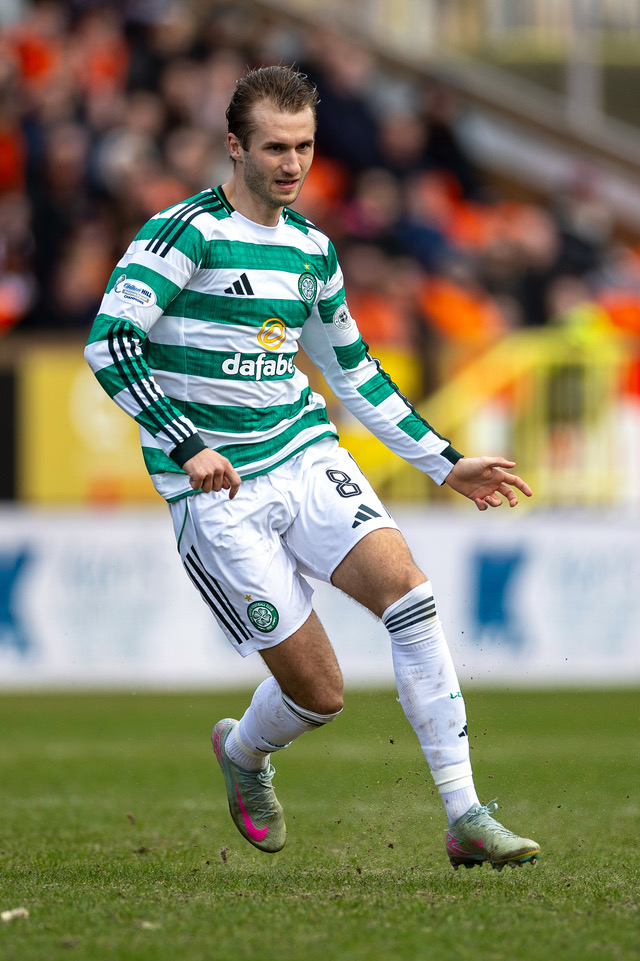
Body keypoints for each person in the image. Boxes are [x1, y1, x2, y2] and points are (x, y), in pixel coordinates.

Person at [83, 65, 540, 871]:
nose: (292, 163)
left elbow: (355, 373)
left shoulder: (312, 250)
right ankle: (244, 752)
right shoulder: (183, 234)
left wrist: (446, 462)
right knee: (320, 695)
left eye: (304, 146)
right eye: (274, 148)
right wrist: (187, 443)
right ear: (235, 146)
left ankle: (466, 814)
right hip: (216, 492)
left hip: (302, 453)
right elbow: (110, 343)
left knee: (411, 594)